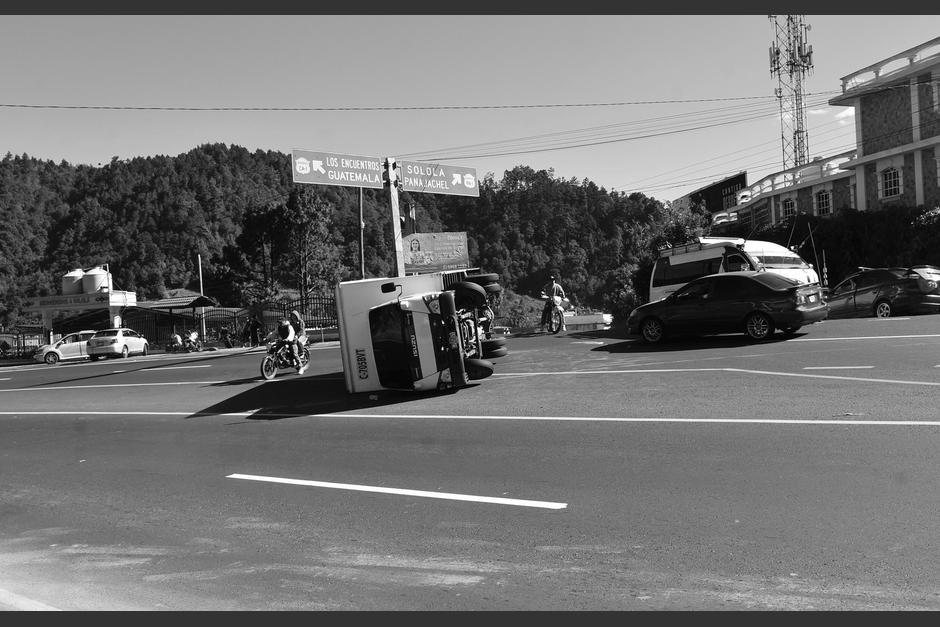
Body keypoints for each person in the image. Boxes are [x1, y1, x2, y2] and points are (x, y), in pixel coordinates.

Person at [288, 310, 307, 375]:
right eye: (292, 315)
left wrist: (297, 335)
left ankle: (302, 353)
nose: (293, 317)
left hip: (302, 335)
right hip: (293, 336)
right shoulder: (291, 323)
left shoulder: (301, 321)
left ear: (297, 315)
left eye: (294, 315)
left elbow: (301, 330)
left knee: (298, 341)